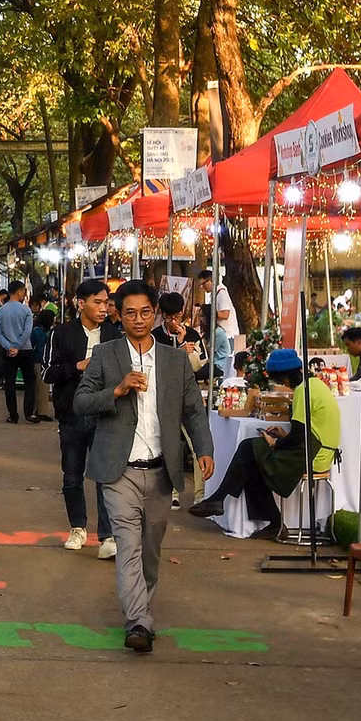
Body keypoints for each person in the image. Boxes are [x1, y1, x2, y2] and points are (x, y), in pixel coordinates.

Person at [73, 279, 213, 653]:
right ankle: (137, 621)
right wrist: (115, 391)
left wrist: (204, 448)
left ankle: (141, 611)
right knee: (128, 545)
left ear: (156, 314)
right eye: (130, 313)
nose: (138, 319)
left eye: (145, 312)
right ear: (119, 315)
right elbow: (81, 402)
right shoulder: (106, 355)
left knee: (150, 550)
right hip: (118, 470)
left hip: (160, 469)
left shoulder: (174, 359)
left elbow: (193, 411)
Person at [189, 348, 340, 539]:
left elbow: (298, 437)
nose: (282, 384)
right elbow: (303, 431)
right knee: (252, 460)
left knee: (248, 447)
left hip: (312, 455)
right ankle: (273, 522)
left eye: (280, 380)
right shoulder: (316, 385)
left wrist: (276, 443)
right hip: (316, 449)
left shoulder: (304, 391)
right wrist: (283, 435)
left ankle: (219, 498)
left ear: (286, 376)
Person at [44, 278, 119, 557]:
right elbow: (47, 373)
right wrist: (78, 367)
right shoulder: (61, 334)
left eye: (106, 303)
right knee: (72, 475)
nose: (103, 309)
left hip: (105, 414)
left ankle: (108, 535)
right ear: (81, 303)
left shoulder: (113, 335)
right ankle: (77, 527)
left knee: (105, 476)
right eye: (97, 303)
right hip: (72, 414)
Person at [0, 280, 44, 423]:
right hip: (25, 350)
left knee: (9, 383)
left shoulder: (0, 312)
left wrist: (9, 347)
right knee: (30, 382)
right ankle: (28, 413)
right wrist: (18, 346)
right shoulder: (26, 310)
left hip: (7, 352)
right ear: (19, 292)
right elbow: (27, 332)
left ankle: (13, 415)